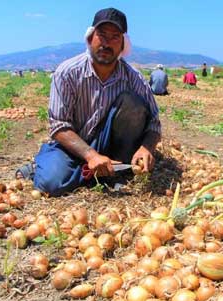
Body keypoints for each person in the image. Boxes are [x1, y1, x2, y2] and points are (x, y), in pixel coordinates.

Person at [16, 7, 161, 197]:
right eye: (102, 35)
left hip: (113, 145)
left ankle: (110, 167)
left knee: (132, 103)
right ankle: (97, 170)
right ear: (90, 37)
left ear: (123, 44)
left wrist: (146, 148)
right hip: (75, 145)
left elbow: (154, 122)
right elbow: (59, 125)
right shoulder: (68, 72)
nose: (106, 43)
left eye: (115, 37)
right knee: (51, 183)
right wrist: (91, 155)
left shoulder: (133, 78)